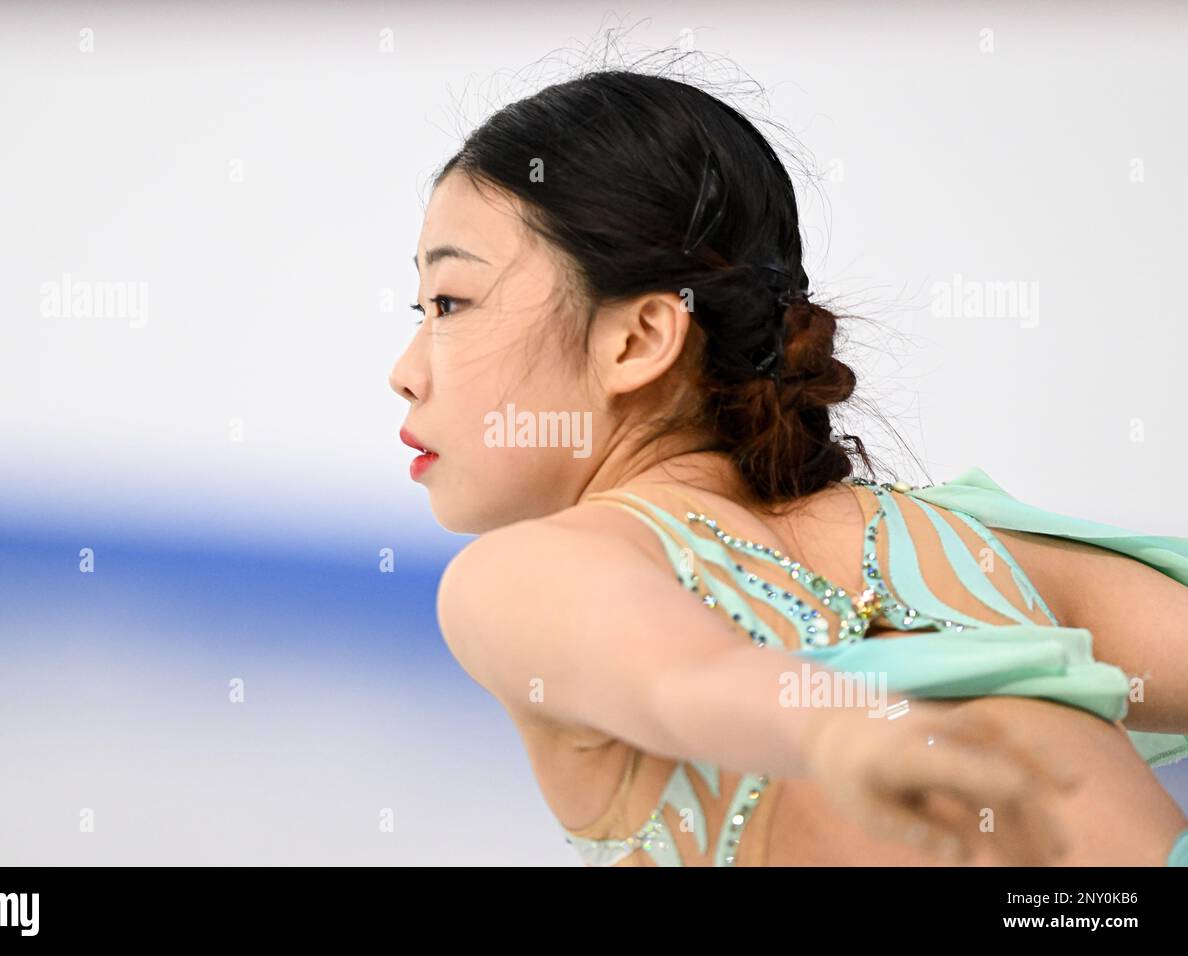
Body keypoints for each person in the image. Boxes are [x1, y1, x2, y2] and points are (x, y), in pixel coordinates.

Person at [388, 68, 1188, 866]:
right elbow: (682, 675)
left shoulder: (523, 570)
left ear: (635, 341)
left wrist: (842, 731)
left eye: (450, 305)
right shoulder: (965, 544)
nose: (405, 370)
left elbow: (691, 681)